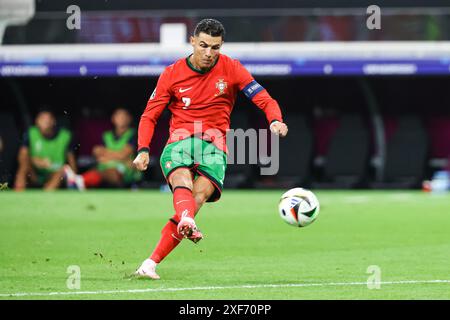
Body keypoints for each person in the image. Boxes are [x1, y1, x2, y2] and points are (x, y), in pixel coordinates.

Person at [133, 19, 288, 279]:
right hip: (180, 142)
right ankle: (185, 220)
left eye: (215, 47)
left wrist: (275, 120)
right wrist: (143, 149)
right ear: (192, 41)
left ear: (221, 45)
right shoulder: (171, 74)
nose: (208, 53)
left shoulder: (232, 68)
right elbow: (150, 116)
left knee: (197, 200)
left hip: (215, 147)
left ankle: (150, 263)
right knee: (182, 180)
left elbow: (264, 98)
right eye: (203, 45)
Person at [64, 108, 141, 189]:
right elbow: (97, 151)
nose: (121, 118)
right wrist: (117, 156)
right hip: (105, 168)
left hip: (126, 172)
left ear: (129, 119)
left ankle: (79, 180)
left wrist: (107, 157)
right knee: (97, 170)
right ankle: (80, 181)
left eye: (124, 116)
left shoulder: (133, 134)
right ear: (113, 118)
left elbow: (122, 155)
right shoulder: (106, 135)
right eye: (118, 115)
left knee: (112, 173)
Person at [14, 109, 77, 191]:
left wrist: (74, 176)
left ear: (53, 121)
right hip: (35, 173)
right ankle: (18, 192)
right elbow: (22, 156)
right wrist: (34, 161)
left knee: (62, 171)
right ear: (36, 120)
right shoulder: (30, 133)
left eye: (48, 119)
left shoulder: (66, 136)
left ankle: (46, 194)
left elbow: (72, 162)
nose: (45, 122)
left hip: (55, 172)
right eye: (42, 118)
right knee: (23, 166)